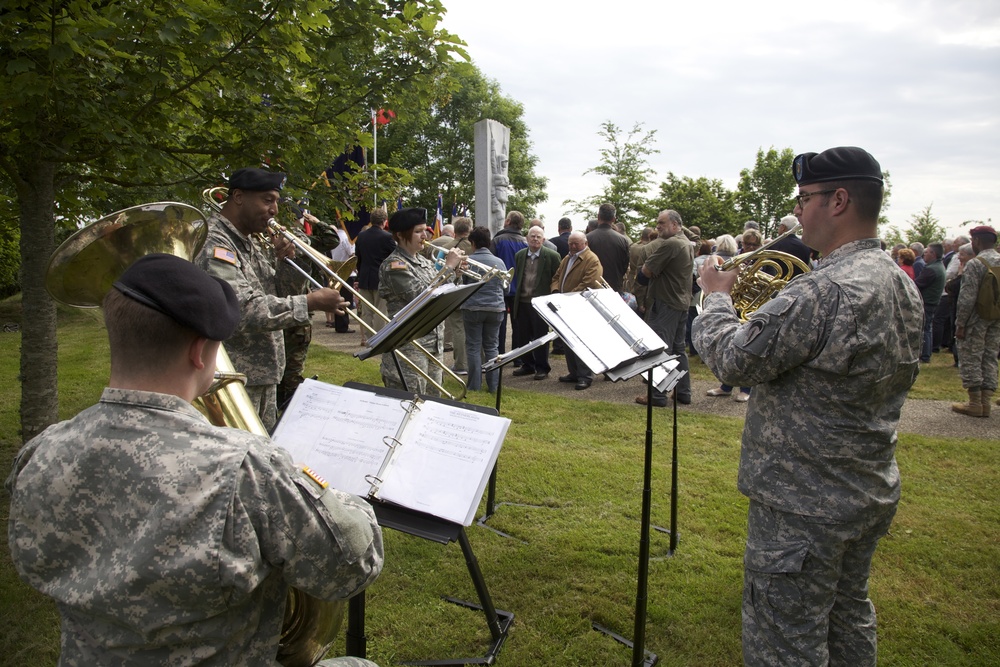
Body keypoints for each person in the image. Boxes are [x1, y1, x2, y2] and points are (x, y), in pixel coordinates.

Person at [7, 253, 383, 666]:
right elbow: (353, 565)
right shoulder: (246, 469)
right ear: (200, 351)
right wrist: (339, 499)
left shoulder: (39, 453)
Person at [694, 146, 923, 666]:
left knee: (785, 640)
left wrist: (716, 296)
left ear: (838, 200)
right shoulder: (896, 281)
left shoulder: (825, 290)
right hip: (864, 485)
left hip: (803, 501)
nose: (797, 211)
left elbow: (732, 359)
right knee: (848, 617)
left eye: (805, 199)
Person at [197, 168, 347, 431]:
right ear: (239, 196)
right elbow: (241, 309)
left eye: (275, 201)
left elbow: (274, 293)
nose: (275, 209)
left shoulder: (248, 241)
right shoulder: (216, 242)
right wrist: (310, 302)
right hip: (235, 377)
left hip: (262, 374)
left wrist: (289, 262)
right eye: (267, 200)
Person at [378, 207, 463, 396]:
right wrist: (448, 267)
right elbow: (422, 296)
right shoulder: (394, 265)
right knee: (410, 402)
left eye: (424, 230)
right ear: (400, 235)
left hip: (434, 344)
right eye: (418, 231)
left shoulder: (425, 262)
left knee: (433, 405)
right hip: (409, 346)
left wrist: (456, 273)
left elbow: (443, 292)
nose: (424, 235)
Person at [636, 210, 694, 407]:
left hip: (666, 303)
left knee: (660, 350)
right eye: (657, 223)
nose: (658, 226)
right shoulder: (686, 242)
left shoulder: (671, 244)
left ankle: (658, 395)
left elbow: (645, 273)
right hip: (680, 302)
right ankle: (683, 392)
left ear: (675, 225)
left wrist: (644, 270)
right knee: (679, 349)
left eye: (662, 223)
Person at [951, 225, 1000, 417]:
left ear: (977, 241)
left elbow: (967, 297)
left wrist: (960, 323)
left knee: (972, 356)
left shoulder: (976, 264)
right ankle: (986, 403)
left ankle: (974, 403)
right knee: (990, 356)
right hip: (996, 317)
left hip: (976, 318)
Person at [550, 231, 604, 390]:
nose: (573, 246)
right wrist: (555, 292)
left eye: (576, 244)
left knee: (581, 343)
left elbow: (591, 283)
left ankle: (585, 376)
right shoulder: (567, 258)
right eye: (570, 243)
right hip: (565, 305)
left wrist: (567, 296)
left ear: (585, 244)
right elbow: (556, 277)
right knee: (568, 341)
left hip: (581, 307)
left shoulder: (592, 259)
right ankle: (573, 373)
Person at [510, 226, 562, 380]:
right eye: (532, 236)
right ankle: (528, 365)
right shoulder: (520, 255)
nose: (535, 239)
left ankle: (542, 367)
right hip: (523, 301)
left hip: (540, 303)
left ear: (543, 240)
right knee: (522, 336)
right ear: (527, 238)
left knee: (540, 336)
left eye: (538, 236)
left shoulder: (552, 256)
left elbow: (556, 278)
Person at [461, 227, 508, 392]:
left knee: (473, 346)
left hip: (473, 308)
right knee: (492, 346)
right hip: (496, 308)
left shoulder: (468, 261)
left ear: (472, 243)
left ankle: (474, 385)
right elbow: (506, 289)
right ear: (488, 242)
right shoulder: (500, 262)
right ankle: (494, 386)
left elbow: (462, 287)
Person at [354, 207, 395, 344]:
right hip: (381, 278)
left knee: (366, 311)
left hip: (365, 277)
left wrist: (359, 277)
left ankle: (368, 338)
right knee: (380, 310)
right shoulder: (387, 237)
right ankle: (379, 339)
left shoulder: (361, 236)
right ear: (384, 221)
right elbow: (395, 257)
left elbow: (358, 258)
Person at [490, 210, 528, 354]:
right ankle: (517, 356)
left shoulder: (498, 240)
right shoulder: (525, 242)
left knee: (500, 324)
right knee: (518, 324)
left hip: (501, 287)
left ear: (508, 222)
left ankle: (499, 354)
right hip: (519, 288)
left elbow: (492, 263)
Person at [586, 203, 631, 292]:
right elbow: (625, 265)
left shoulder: (587, 238)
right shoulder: (623, 240)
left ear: (598, 217)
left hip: (592, 287)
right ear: (614, 219)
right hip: (615, 287)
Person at [914, 242, 946, 363]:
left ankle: (925, 355)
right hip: (932, 301)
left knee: (925, 328)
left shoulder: (932, 269)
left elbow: (917, 284)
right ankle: (926, 353)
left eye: (926, 252)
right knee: (928, 327)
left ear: (933, 254)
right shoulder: (938, 266)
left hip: (927, 302)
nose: (924, 255)